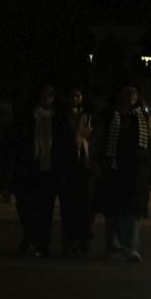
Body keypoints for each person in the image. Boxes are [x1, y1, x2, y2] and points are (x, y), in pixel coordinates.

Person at [99, 82, 151, 262]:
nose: (131, 96)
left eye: (134, 92)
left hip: (136, 172)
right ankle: (112, 245)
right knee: (113, 211)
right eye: (127, 92)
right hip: (114, 169)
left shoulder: (144, 118)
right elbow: (101, 141)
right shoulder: (110, 115)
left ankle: (131, 247)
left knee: (133, 213)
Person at [11, 85, 59, 256]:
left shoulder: (57, 118)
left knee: (45, 209)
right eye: (45, 93)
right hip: (30, 166)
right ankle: (31, 235)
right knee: (27, 206)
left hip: (49, 168)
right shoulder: (29, 116)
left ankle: (41, 243)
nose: (47, 96)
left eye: (51, 94)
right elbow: (18, 141)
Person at [56, 87, 96, 256]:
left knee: (85, 206)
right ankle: (69, 242)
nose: (75, 99)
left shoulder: (88, 116)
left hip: (84, 164)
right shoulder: (62, 117)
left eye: (78, 95)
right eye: (72, 95)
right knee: (68, 206)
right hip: (68, 164)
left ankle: (82, 241)